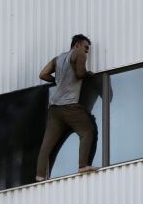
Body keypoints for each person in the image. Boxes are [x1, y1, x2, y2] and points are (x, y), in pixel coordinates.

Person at [35, 34, 98, 181]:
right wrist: (89, 75)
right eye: (86, 47)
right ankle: (83, 165)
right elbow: (80, 73)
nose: (87, 51)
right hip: (69, 105)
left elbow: (43, 74)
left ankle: (39, 176)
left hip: (54, 108)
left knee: (47, 145)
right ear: (77, 45)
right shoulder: (79, 54)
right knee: (87, 131)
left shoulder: (57, 59)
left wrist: (57, 80)